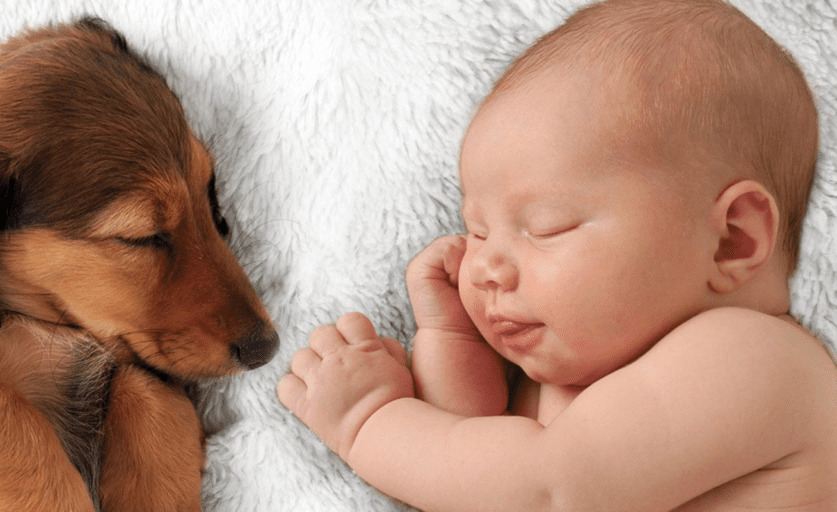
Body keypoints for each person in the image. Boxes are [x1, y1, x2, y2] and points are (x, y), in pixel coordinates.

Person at [277, 0, 837, 510]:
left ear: (732, 239)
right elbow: (467, 476)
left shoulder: (755, 359)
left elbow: (546, 492)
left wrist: (368, 423)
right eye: (476, 231)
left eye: (547, 227)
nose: (485, 267)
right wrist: (452, 342)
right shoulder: (580, 374)